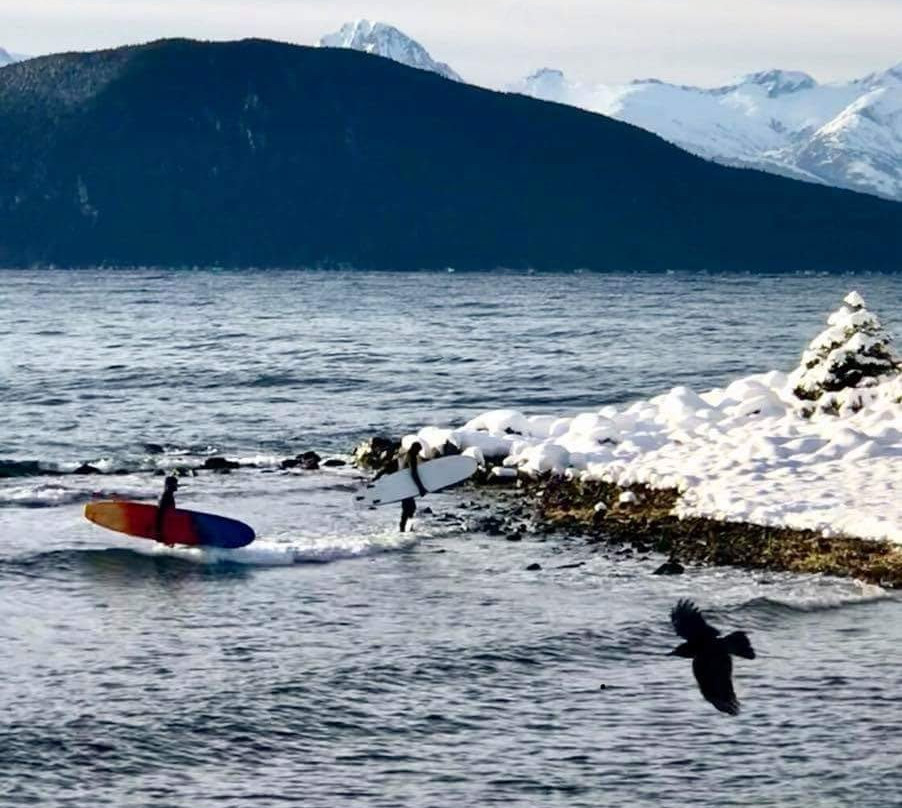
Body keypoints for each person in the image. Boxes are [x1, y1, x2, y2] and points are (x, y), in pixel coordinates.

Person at [398, 441, 428, 532]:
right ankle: (404, 529)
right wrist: (421, 488)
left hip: (402, 484)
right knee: (409, 508)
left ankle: (407, 528)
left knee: (408, 508)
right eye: (418, 451)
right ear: (414, 448)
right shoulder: (412, 457)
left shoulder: (403, 455)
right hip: (407, 487)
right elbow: (413, 474)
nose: (418, 453)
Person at [156, 474, 179, 545]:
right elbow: (160, 514)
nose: (176, 486)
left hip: (169, 528)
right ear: (169, 485)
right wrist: (159, 532)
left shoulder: (169, 495)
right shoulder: (166, 496)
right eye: (175, 484)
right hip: (166, 528)